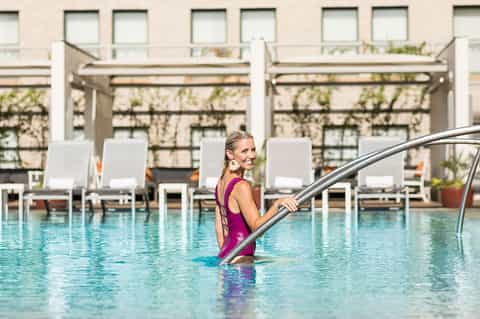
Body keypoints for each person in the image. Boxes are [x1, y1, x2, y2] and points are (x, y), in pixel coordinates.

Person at [215, 131, 298, 264]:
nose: (252, 155)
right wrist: (277, 204)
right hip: (241, 259)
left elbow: (219, 224)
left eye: (253, 150)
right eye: (244, 151)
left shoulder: (221, 182)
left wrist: (224, 250)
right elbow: (257, 229)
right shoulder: (241, 186)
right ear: (230, 154)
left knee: (286, 261)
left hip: (227, 254)